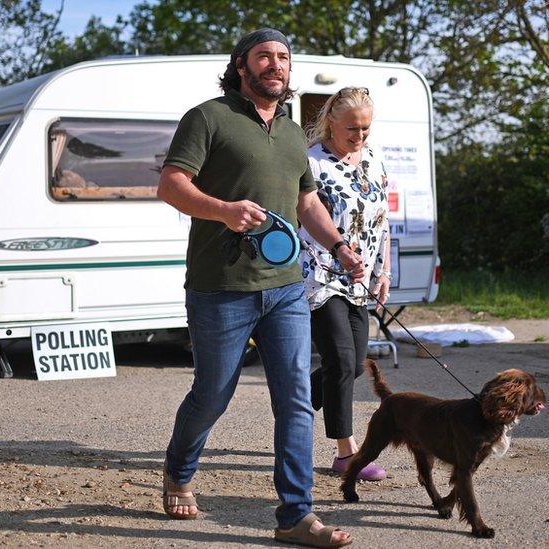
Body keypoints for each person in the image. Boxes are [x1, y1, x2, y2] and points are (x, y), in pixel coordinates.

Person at [157, 29, 364, 548]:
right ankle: (179, 471)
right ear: (242, 66)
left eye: (283, 58)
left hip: (287, 288)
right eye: (265, 57)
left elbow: (307, 204)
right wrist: (224, 210)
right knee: (213, 393)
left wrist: (339, 245)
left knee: (295, 398)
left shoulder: (294, 133)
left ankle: (296, 515)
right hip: (221, 287)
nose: (276, 65)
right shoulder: (208, 117)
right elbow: (171, 184)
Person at [298, 87, 392, 481]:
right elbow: (303, 216)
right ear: (330, 122)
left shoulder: (373, 159)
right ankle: (346, 453)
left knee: (354, 364)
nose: (359, 136)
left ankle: (298, 396)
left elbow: (381, 219)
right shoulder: (312, 163)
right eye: (351, 128)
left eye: (365, 129)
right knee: (339, 360)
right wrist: (339, 252)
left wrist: (383, 271)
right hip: (322, 274)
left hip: (361, 278)